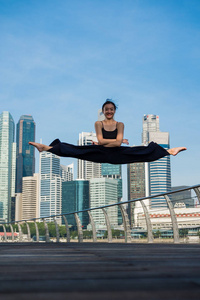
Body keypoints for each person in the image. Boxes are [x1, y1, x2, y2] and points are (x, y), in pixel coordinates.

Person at [29, 99, 186, 164]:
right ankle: (45, 148)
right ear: (103, 111)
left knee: (140, 151)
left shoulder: (120, 124)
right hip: (101, 152)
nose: (109, 111)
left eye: (111, 109)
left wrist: (108, 142)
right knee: (77, 150)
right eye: (106, 109)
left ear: (114, 110)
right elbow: (106, 141)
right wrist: (105, 142)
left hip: (116, 153)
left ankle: (170, 151)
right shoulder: (98, 123)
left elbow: (115, 142)